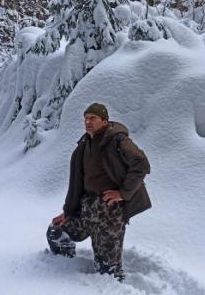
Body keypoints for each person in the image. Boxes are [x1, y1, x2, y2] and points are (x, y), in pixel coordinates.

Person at [46, 103, 151, 281]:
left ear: (104, 121)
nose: (88, 121)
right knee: (56, 233)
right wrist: (68, 212)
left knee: (107, 270)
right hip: (87, 208)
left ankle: (113, 287)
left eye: (93, 118)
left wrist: (123, 193)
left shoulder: (117, 140)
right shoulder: (83, 146)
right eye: (86, 118)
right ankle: (64, 266)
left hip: (109, 211)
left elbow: (141, 164)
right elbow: (76, 184)